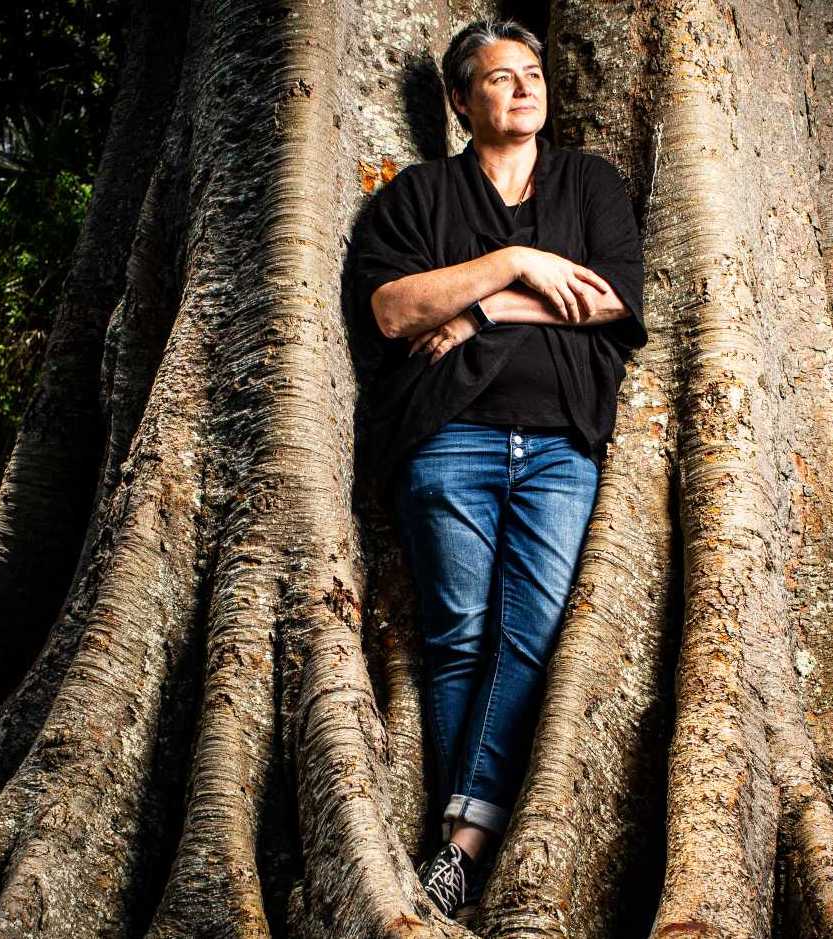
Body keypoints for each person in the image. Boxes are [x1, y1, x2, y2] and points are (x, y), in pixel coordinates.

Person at [348, 17, 647, 918]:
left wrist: (485, 312)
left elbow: (613, 299)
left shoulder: (591, 185)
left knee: (535, 632)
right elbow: (394, 310)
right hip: (448, 440)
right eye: (498, 77)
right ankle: (461, 839)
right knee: (458, 634)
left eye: (532, 74)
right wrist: (514, 261)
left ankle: (461, 840)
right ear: (458, 100)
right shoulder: (418, 196)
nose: (522, 89)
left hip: (561, 442)